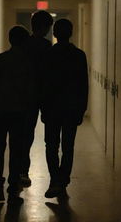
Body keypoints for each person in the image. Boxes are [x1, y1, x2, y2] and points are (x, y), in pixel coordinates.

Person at [41, 19, 89, 198]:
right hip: (71, 107)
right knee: (68, 146)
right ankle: (63, 179)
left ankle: (55, 180)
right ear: (71, 33)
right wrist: (82, 109)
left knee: (51, 145)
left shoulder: (48, 54)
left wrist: (42, 108)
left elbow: (43, 84)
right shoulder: (78, 55)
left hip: (52, 107)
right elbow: (83, 85)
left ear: (54, 34)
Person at [0, 26, 30, 204]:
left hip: (0, 110)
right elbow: (30, 89)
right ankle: (13, 188)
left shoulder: (0, 59)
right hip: (19, 112)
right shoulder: (27, 62)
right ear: (24, 41)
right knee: (16, 150)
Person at [20, 10, 53, 186]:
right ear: (43, 27)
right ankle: (53, 177)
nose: (48, 31)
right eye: (48, 27)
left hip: (27, 95)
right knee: (50, 138)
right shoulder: (47, 47)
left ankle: (23, 171)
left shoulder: (25, 45)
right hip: (43, 94)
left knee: (26, 135)